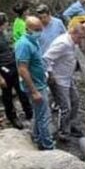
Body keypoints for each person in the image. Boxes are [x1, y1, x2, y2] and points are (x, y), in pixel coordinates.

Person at [0, 12, 34, 130]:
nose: (5, 27)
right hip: (2, 68)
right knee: (7, 94)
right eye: (4, 25)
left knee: (22, 89)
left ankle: (29, 112)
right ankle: (12, 117)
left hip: (13, 63)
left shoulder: (2, 32)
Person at [16, 17, 55, 150]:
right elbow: (22, 69)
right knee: (44, 117)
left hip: (40, 82)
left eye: (40, 29)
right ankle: (47, 145)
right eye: (37, 30)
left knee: (39, 114)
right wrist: (34, 91)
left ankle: (37, 138)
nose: (40, 32)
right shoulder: (24, 44)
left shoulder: (34, 41)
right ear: (28, 29)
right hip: (35, 86)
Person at [44, 24, 85, 139]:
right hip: (59, 79)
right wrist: (50, 73)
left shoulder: (72, 42)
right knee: (65, 107)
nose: (81, 40)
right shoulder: (63, 43)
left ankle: (70, 124)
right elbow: (46, 58)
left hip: (68, 77)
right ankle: (63, 132)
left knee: (75, 100)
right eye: (80, 37)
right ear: (73, 33)